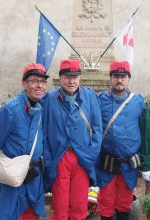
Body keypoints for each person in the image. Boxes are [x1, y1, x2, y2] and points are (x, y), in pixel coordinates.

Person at [0, 63, 49, 220]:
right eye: (34, 80)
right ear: (25, 84)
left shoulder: (42, 109)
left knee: (31, 215)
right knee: (10, 215)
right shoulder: (10, 110)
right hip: (12, 178)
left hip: (34, 177)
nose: (39, 85)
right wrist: (12, 164)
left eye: (42, 81)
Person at [42, 59, 102, 220]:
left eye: (75, 77)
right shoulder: (49, 99)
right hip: (59, 157)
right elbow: (44, 131)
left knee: (79, 206)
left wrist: (91, 154)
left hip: (82, 158)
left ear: (79, 78)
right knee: (60, 207)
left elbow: (97, 128)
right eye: (67, 77)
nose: (71, 81)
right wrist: (48, 157)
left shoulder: (90, 97)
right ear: (60, 78)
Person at [96, 61, 145, 220]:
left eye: (123, 77)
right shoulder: (99, 100)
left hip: (129, 163)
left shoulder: (138, 101)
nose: (119, 80)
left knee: (124, 202)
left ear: (128, 79)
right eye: (116, 76)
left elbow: (145, 128)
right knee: (106, 203)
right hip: (107, 161)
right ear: (110, 78)